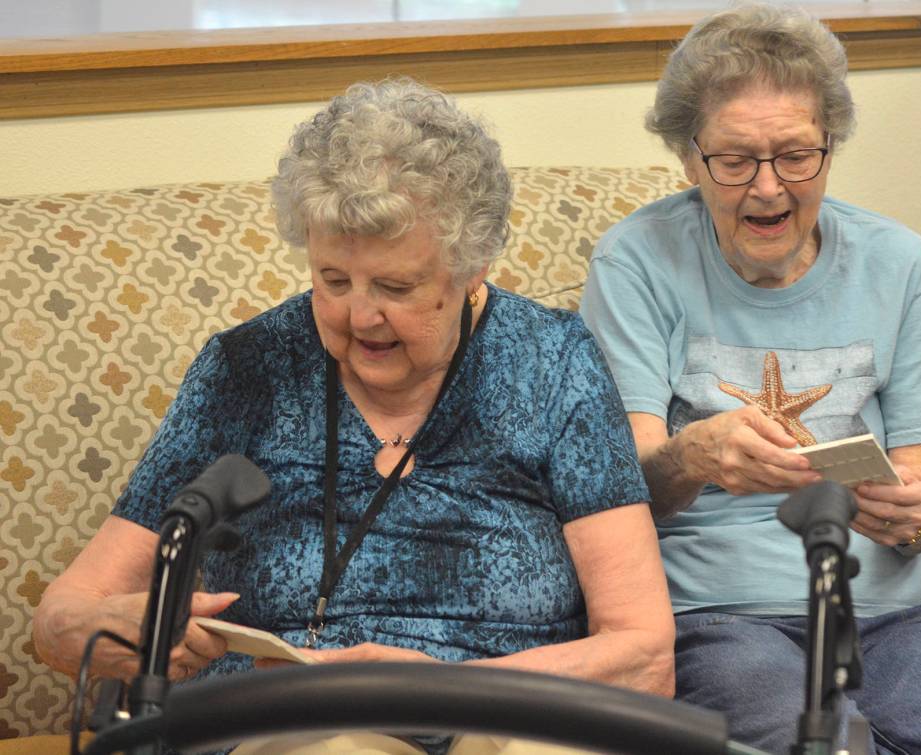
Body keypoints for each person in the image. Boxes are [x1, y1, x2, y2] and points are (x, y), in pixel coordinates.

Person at [34, 78, 675, 753]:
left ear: (473, 265)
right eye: (333, 280)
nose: (360, 315)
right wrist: (118, 629)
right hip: (296, 723)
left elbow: (644, 653)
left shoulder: (555, 363)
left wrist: (444, 685)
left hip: (504, 715)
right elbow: (60, 619)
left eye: (396, 287)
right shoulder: (246, 368)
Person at [579, 5, 921, 754]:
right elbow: (621, 494)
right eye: (734, 160)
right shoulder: (636, 261)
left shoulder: (900, 264)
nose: (767, 188)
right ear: (689, 158)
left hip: (895, 617)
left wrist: (914, 511)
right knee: (806, 745)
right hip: (720, 615)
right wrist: (691, 454)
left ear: (829, 147)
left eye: (794, 155)